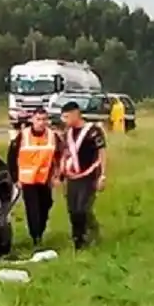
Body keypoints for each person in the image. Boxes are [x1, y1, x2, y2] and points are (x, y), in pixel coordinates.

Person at [7, 108, 64, 247]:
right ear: (32, 120)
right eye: (38, 119)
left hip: (45, 179)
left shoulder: (52, 136)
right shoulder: (23, 136)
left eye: (44, 119)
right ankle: (36, 237)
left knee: (46, 204)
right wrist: (15, 179)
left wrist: (58, 176)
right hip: (28, 180)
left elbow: (60, 156)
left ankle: (40, 230)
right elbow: (11, 157)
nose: (41, 122)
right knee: (33, 209)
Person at [60, 101, 107, 250]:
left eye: (67, 117)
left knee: (83, 208)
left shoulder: (94, 131)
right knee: (73, 210)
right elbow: (66, 153)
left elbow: (102, 152)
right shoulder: (67, 133)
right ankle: (78, 239)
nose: (64, 120)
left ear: (76, 114)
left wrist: (103, 175)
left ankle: (89, 235)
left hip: (89, 176)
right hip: (73, 177)